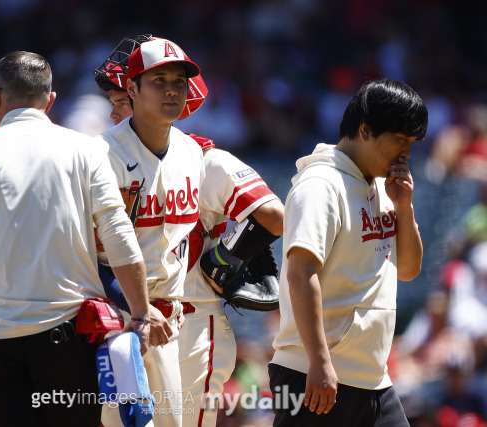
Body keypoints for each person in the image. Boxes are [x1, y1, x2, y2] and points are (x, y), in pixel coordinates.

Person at [0, 51, 151, 427]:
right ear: (50, 100)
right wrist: (140, 315)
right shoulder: (86, 150)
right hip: (69, 337)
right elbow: (118, 235)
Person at [94, 35, 286, 427]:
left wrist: (226, 255)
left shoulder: (200, 155)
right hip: (126, 316)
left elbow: (272, 214)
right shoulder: (102, 155)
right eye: (113, 101)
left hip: (193, 319)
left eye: (118, 101)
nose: (113, 112)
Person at [269, 78, 428, 426]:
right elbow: (300, 273)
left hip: (372, 378)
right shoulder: (320, 186)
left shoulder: (385, 186)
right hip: (311, 372)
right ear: (366, 130)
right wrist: (319, 361)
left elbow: (409, 269)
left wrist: (404, 208)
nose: (407, 153)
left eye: (412, 143)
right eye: (400, 139)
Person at [94, 38, 205, 427]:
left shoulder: (193, 152)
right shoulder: (101, 154)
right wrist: (136, 309)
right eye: (159, 80)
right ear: (132, 89)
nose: (173, 88)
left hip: (167, 325)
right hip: (115, 325)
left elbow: (186, 239)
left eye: (180, 79)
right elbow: (82, 252)